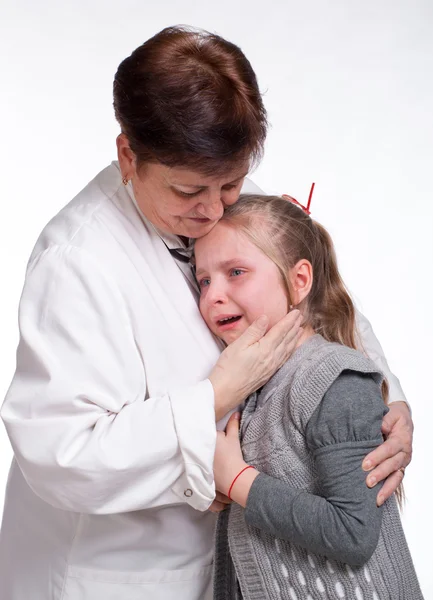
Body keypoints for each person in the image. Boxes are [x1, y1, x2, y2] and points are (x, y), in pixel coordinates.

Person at [0, 26, 412, 600]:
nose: (215, 209)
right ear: (128, 155)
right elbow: (63, 455)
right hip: (115, 575)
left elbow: (313, 293)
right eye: (191, 190)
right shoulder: (76, 263)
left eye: (233, 183)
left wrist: (385, 399)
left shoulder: (217, 193)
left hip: (234, 562)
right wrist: (213, 398)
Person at [194, 193, 423, 599]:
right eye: (204, 280)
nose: (213, 295)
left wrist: (239, 479)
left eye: (236, 272)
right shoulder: (255, 388)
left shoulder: (336, 381)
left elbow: (353, 532)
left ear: (299, 281)